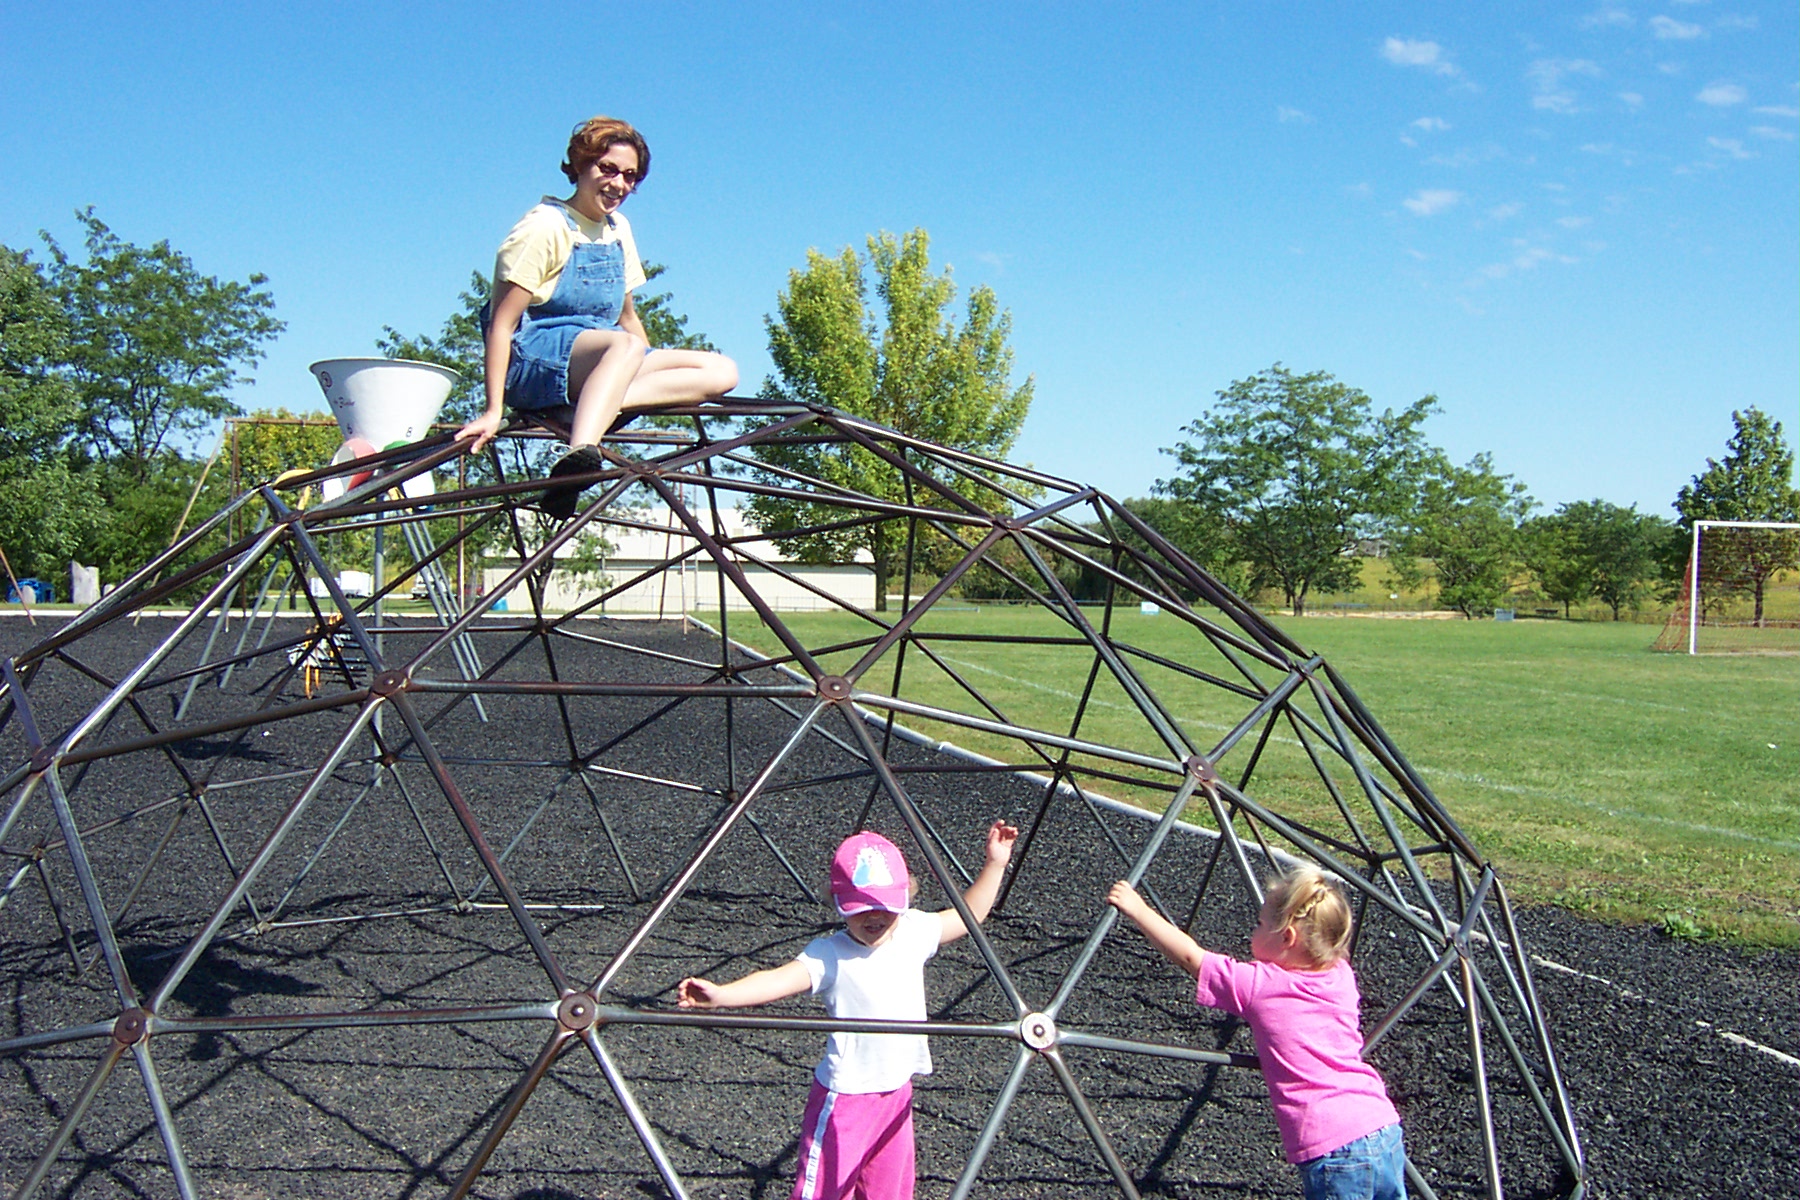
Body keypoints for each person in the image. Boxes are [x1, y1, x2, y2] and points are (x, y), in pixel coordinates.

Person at [678, 821, 1019, 1200]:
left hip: (896, 1090)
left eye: (885, 907)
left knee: (889, 1189)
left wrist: (995, 864)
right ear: (838, 903)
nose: (874, 917)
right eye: (861, 909)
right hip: (847, 1097)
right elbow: (777, 980)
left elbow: (970, 914)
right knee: (826, 1187)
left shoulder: (913, 931)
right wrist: (721, 995)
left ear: (905, 897)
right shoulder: (830, 954)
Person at [457, 115, 738, 518]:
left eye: (630, 176)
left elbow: (627, 316)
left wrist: (652, 368)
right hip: (533, 357)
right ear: (580, 165)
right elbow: (502, 325)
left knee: (721, 370)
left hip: (601, 355)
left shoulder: (617, 229)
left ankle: (587, 409)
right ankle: (578, 459)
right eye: (608, 169)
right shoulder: (545, 226)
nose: (618, 184)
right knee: (625, 346)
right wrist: (493, 409)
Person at [1106, 866, 1406, 1200]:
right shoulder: (1340, 975)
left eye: (1260, 924)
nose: (1254, 930)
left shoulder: (1260, 986)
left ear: (1287, 938)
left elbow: (1192, 957)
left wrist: (1138, 909)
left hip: (1334, 1147)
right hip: (1381, 1124)